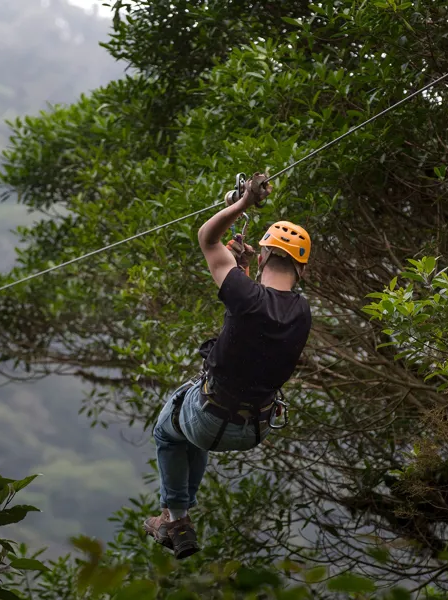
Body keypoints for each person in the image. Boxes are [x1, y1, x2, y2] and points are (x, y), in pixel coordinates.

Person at [142, 174, 313, 559]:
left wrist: (242, 205)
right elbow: (254, 322)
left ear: (266, 253)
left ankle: (177, 516)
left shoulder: (246, 294)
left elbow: (207, 238)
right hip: (255, 427)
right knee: (190, 426)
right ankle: (176, 515)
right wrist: (242, 272)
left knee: (170, 427)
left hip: (211, 419)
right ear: (302, 268)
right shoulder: (302, 311)